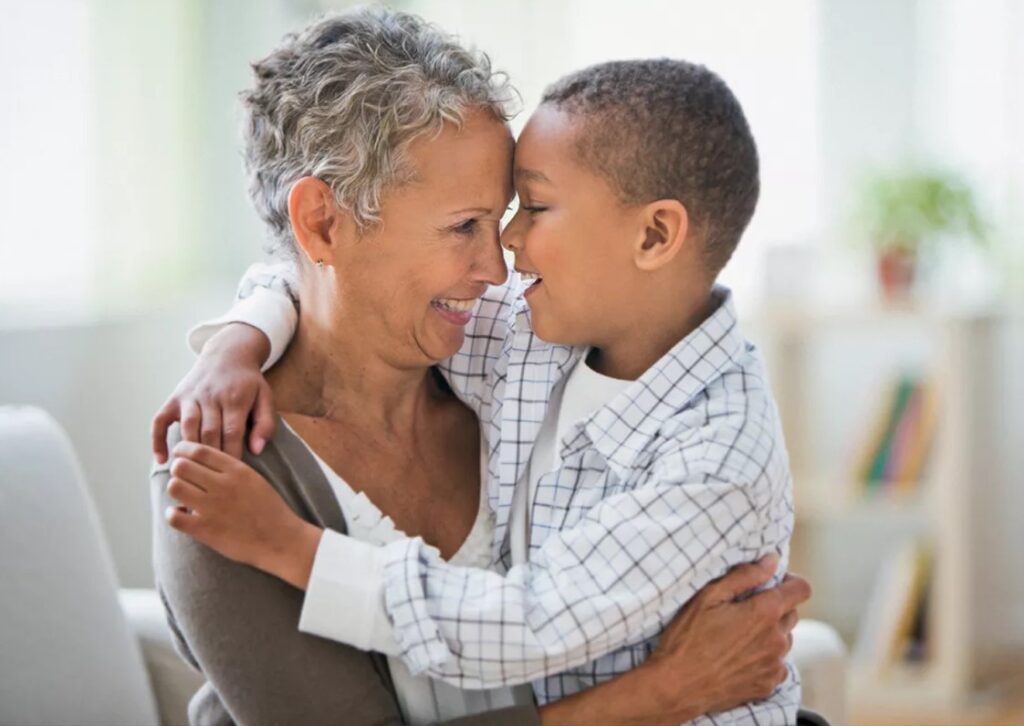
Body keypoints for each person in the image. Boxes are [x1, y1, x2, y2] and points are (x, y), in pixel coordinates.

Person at [153, 8, 810, 725]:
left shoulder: (519, 348)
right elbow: (291, 284)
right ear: (323, 223)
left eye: (516, 215)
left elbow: (532, 621)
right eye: (466, 225)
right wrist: (236, 341)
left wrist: (241, 353)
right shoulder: (221, 473)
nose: (500, 266)